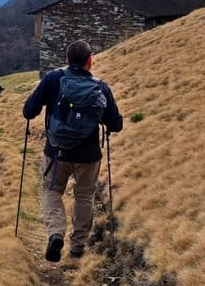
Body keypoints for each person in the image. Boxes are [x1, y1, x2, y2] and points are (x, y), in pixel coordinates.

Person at [22, 40, 123, 262]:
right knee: (85, 196)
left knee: (51, 191)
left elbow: (29, 111)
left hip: (56, 152)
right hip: (88, 155)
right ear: (90, 61)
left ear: (67, 60)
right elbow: (115, 124)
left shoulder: (53, 79)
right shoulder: (101, 87)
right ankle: (77, 246)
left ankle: (56, 233)